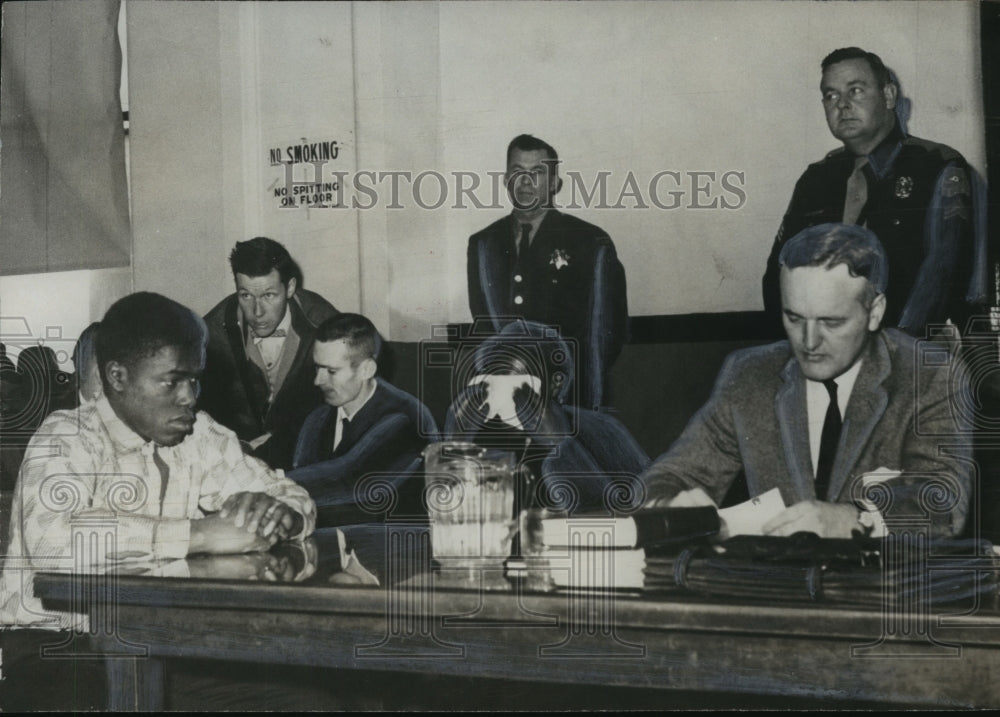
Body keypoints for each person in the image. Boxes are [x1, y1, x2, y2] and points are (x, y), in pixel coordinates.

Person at [0, 292, 316, 710]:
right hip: (56, 645)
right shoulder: (66, 436)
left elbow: (291, 494)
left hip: (160, 641)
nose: (189, 396)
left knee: (305, 700)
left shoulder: (200, 435)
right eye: (171, 381)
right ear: (118, 377)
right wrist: (201, 534)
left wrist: (282, 514)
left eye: (194, 379)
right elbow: (55, 547)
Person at [646, 223, 971, 539]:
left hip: (881, 588)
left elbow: (944, 502)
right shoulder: (750, 375)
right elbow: (666, 478)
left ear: (874, 312)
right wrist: (669, 503)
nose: (809, 341)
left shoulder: (931, 376)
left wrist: (854, 520)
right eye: (794, 318)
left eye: (831, 321)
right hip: (778, 586)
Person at [762, 47, 978, 337]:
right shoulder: (816, 179)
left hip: (906, 352)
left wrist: (890, 353)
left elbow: (940, 275)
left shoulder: (936, 166)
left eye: (856, 90)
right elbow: (779, 272)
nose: (843, 105)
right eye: (831, 95)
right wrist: (798, 347)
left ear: (888, 96)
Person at [467, 134, 629, 410]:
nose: (526, 182)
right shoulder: (483, 244)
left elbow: (607, 333)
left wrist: (575, 393)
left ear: (555, 183)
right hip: (504, 398)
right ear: (506, 179)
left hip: (572, 399)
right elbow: (484, 327)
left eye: (537, 172)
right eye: (517, 172)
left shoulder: (589, 242)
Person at [446, 320, 650, 514]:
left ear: (555, 383)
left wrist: (561, 446)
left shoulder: (601, 430)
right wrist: (455, 445)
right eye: (492, 383)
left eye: (516, 384)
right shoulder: (479, 433)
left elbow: (630, 518)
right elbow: (447, 517)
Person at [201, 237, 338, 470]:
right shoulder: (211, 333)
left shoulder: (323, 324)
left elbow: (342, 403)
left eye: (268, 296)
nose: (257, 312)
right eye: (245, 295)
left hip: (301, 450)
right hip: (235, 457)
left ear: (290, 288)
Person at [289, 313, 437, 527]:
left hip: (391, 546)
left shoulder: (407, 419)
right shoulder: (321, 409)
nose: (317, 380)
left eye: (331, 371)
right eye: (317, 368)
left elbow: (348, 476)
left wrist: (268, 484)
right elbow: (273, 451)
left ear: (367, 369)